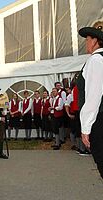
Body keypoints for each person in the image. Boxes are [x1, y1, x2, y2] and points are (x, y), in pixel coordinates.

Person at [77, 21, 103, 178]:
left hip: (99, 120)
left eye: (87, 39)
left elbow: (94, 96)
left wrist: (86, 128)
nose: (86, 42)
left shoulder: (96, 60)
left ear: (94, 41)